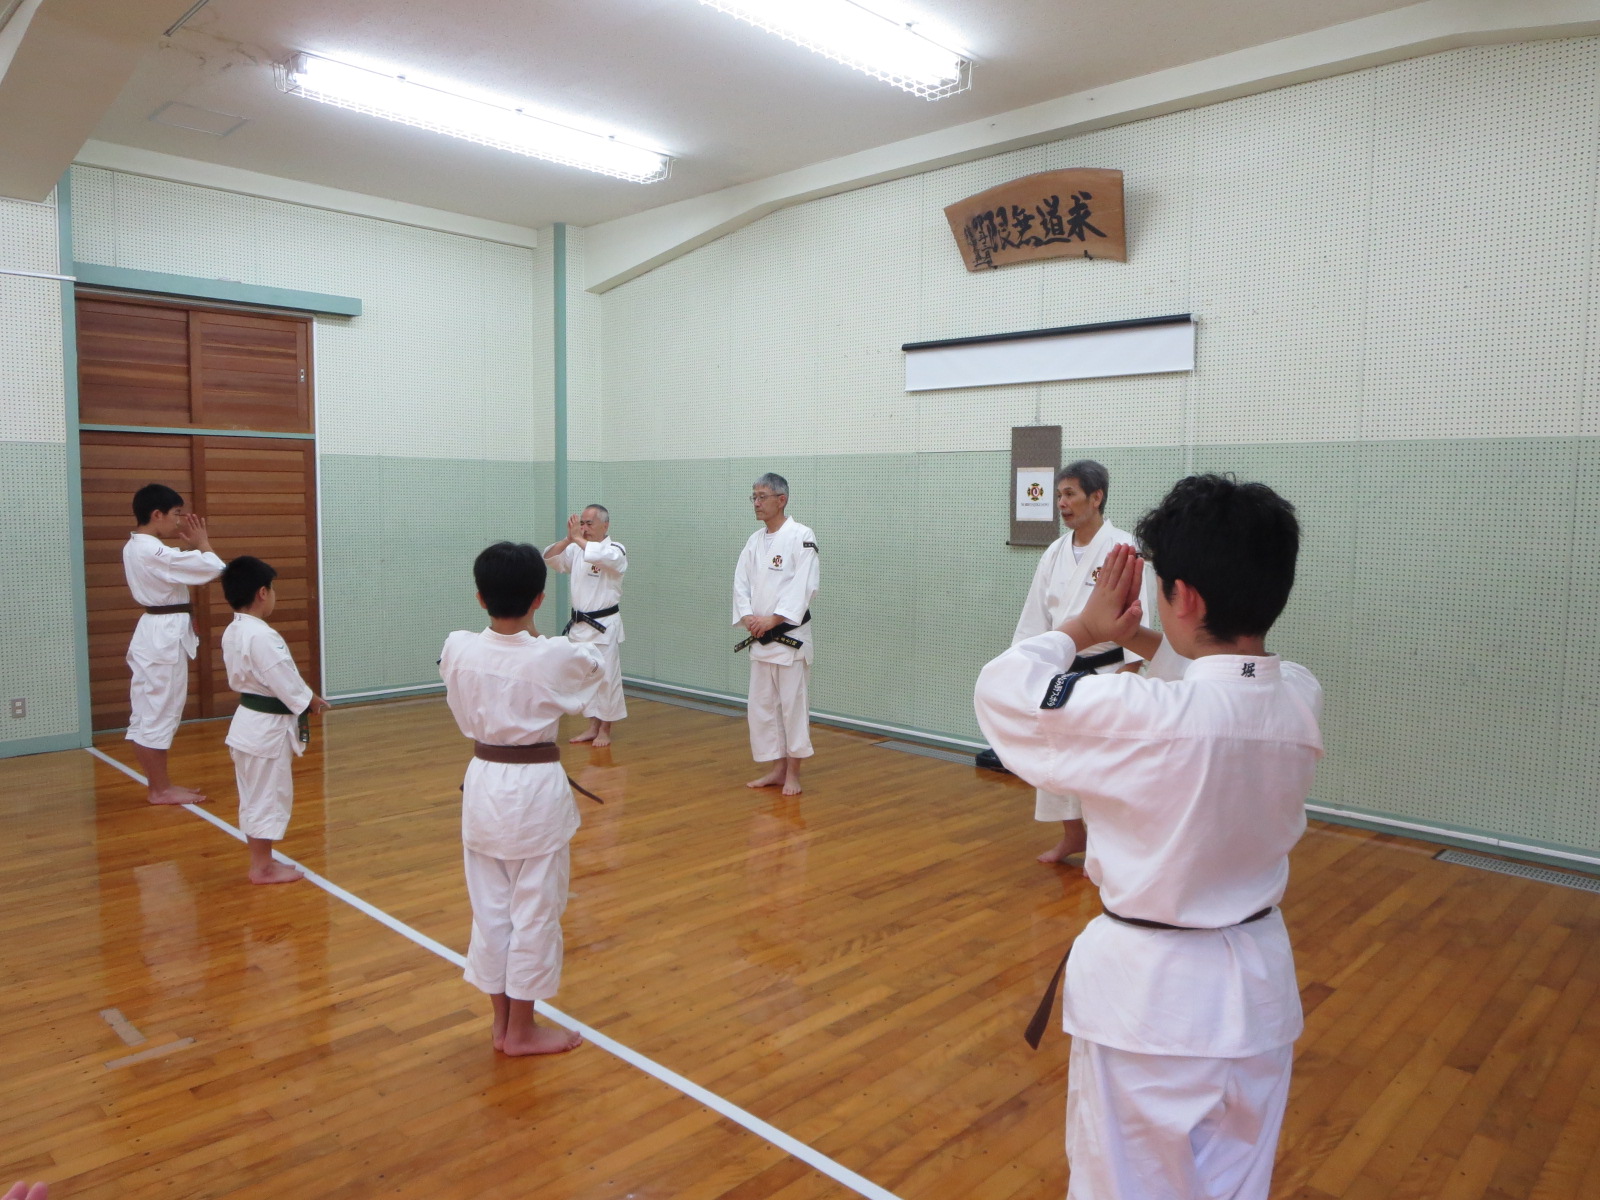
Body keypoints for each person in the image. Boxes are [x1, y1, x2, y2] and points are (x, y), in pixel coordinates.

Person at [974, 475, 1323, 1200]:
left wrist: (1084, 628)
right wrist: (1133, 633)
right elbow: (1217, 678)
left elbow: (1003, 691)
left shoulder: (1144, 716)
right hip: (1258, 1000)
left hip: (1150, 1011)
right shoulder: (1299, 696)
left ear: (1183, 597)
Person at [439, 541, 604, 1056]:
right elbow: (592, 666)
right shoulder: (552, 654)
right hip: (533, 791)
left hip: (484, 782)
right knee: (534, 911)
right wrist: (535, 633)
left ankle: (502, 1025)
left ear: (479, 597)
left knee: (490, 910)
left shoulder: (459, 647)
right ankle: (522, 1030)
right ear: (539, 599)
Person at [1010, 460, 1153, 866]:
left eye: (1070, 494)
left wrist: (1126, 678)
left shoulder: (1123, 549)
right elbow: (1036, 618)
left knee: (1102, 767)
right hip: (1061, 672)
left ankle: (1108, 846)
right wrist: (1028, 665)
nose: (1062, 503)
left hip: (1108, 670)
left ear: (1096, 497)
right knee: (1056, 759)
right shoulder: (1055, 552)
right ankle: (1073, 836)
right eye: (1059, 495)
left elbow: (1140, 620)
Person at [220, 555, 329, 885]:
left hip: (248, 725)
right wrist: (310, 700)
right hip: (264, 731)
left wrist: (304, 697)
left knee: (255, 796)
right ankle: (262, 867)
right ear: (262, 593)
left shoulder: (234, 630)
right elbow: (282, 678)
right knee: (266, 797)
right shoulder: (262, 636)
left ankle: (262, 861)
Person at [123, 483, 225, 805]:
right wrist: (202, 544)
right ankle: (160, 789)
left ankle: (159, 785)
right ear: (157, 514)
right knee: (159, 711)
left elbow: (177, 566)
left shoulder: (137, 546)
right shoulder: (152, 551)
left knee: (150, 710)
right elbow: (215, 569)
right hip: (161, 637)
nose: (179, 521)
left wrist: (192, 550)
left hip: (155, 632)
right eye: (176, 513)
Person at [732, 473, 820, 797]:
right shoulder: (754, 541)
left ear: (781, 500)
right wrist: (748, 617)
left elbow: (804, 586)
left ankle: (793, 773)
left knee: (792, 708)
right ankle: (777, 769)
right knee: (763, 708)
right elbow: (740, 583)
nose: (756, 503)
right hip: (760, 638)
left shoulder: (801, 536)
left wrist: (773, 619)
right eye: (753, 497)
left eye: (762, 497)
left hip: (789, 639)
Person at [544, 504, 627, 747]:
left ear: (605, 525)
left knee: (607, 679)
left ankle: (605, 729)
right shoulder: (577, 549)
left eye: (589, 523)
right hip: (580, 626)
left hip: (604, 626)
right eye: (582, 523)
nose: (584, 527)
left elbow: (602, 557)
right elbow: (550, 558)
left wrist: (579, 540)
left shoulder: (615, 550)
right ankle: (592, 725)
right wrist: (568, 539)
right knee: (585, 679)